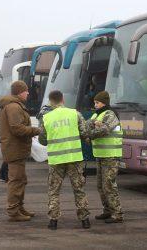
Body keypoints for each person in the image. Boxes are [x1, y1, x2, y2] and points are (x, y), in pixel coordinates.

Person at [39, 90, 91, 230]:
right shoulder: (75, 113)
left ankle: (53, 221)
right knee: (79, 189)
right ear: (63, 99)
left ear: (50, 102)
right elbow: (85, 132)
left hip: (56, 159)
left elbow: (42, 140)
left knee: (54, 191)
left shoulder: (46, 117)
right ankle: (85, 220)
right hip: (74, 158)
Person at [0, 81, 41, 222]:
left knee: (21, 180)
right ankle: (13, 211)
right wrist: (36, 130)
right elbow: (17, 128)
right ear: (19, 92)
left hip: (17, 149)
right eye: (26, 90)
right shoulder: (14, 107)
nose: (28, 93)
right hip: (14, 149)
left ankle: (19, 208)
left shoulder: (13, 105)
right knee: (16, 181)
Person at [86, 91, 124, 223]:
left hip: (111, 156)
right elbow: (87, 126)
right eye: (94, 102)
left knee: (109, 185)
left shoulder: (110, 114)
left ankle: (117, 213)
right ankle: (107, 210)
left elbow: (104, 130)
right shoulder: (97, 114)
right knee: (100, 185)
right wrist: (92, 128)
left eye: (97, 102)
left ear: (104, 102)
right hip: (100, 155)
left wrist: (91, 132)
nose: (95, 105)